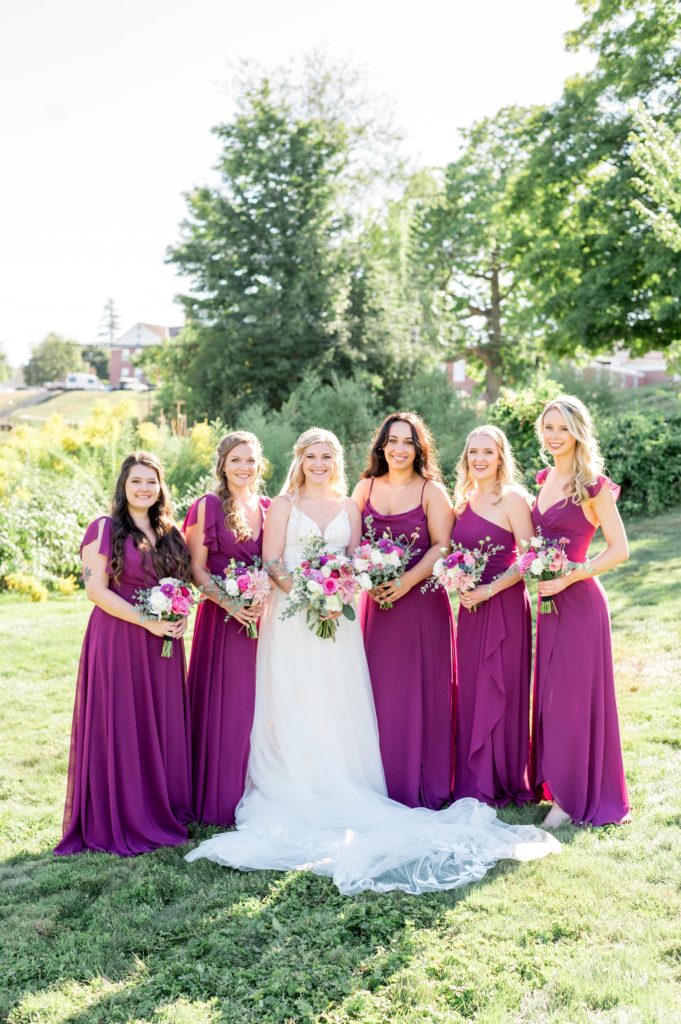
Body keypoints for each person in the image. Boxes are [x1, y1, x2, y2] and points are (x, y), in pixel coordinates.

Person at [185, 429, 559, 895]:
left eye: (326, 455)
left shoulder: (348, 506)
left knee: (338, 699)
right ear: (298, 460)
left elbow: (354, 561)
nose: (318, 463)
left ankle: (344, 778)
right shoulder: (281, 505)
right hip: (292, 616)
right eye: (311, 456)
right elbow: (273, 561)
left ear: (336, 461)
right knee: (292, 697)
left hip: (338, 618)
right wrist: (308, 594)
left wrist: (336, 589)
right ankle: (296, 778)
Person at [55, 452, 192, 856]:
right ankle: (122, 814)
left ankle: (158, 805)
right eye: (137, 482)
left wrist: (180, 616)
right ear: (123, 486)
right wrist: (145, 621)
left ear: (161, 487)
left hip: (163, 641)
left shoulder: (169, 531)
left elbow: (179, 584)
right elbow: (96, 591)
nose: (144, 489)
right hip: (119, 636)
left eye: (152, 481)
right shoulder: (103, 529)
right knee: (122, 721)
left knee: (159, 721)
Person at [531, 396, 630, 828]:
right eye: (548, 427)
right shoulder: (544, 478)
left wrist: (572, 574)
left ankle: (571, 801)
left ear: (577, 432)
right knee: (551, 698)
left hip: (581, 604)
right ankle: (557, 782)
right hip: (549, 605)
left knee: (573, 700)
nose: (554, 436)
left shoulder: (592, 485)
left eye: (562, 428)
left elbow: (619, 549)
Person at [352, 412, 455, 808]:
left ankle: (425, 782)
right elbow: (351, 545)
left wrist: (406, 581)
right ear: (381, 446)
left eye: (408, 442)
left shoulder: (432, 491)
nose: (399, 449)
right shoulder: (364, 487)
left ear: (419, 448)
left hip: (421, 604)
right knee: (381, 690)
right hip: (378, 606)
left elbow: (441, 545)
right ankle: (382, 781)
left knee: (422, 688)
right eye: (392, 441)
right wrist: (366, 579)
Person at [183, 431, 269, 826]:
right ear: (222, 464)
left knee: (259, 707)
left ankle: (258, 789)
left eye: (251, 460)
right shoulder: (207, 506)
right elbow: (194, 568)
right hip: (222, 621)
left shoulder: (267, 507)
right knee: (227, 706)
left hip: (261, 623)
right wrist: (231, 603)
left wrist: (269, 590)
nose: (244, 467)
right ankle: (219, 797)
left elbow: (275, 564)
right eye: (237, 459)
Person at [451, 425, 535, 806]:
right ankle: (472, 779)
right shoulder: (462, 499)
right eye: (473, 453)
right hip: (469, 608)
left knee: (502, 687)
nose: (480, 459)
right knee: (471, 687)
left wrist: (489, 589)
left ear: (501, 456)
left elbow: (528, 559)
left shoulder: (513, 499)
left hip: (503, 603)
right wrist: (459, 582)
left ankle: (502, 778)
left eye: (488, 452)